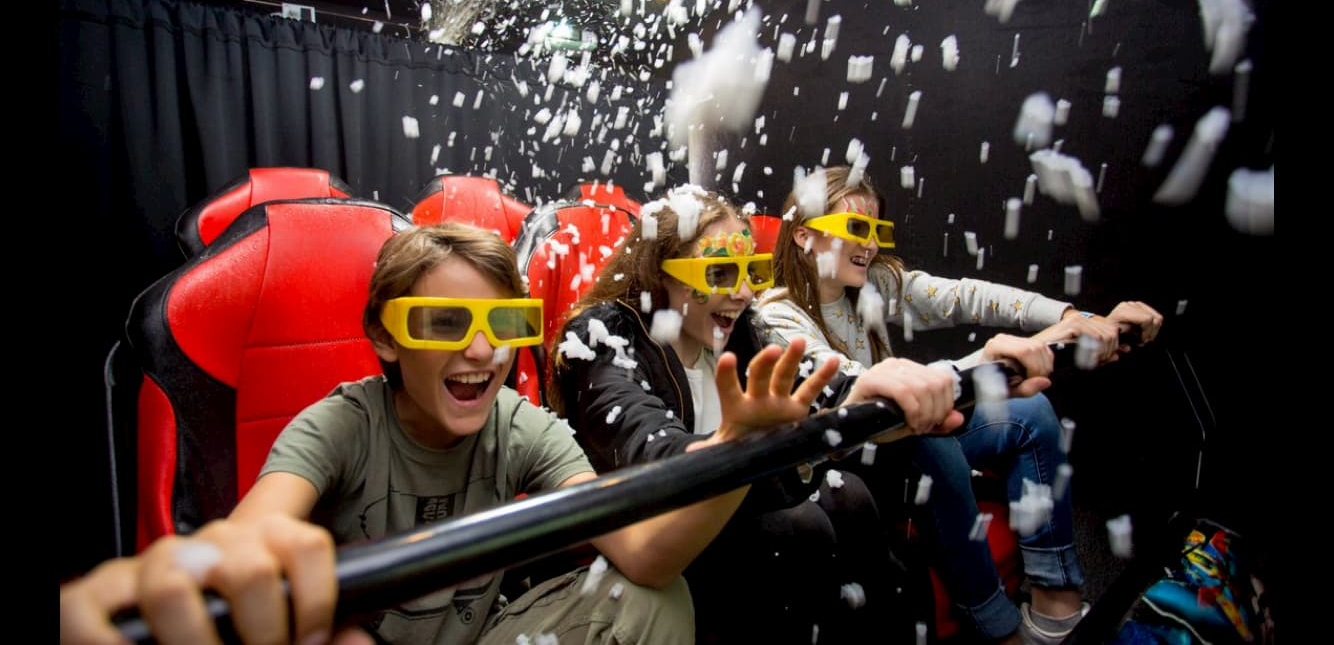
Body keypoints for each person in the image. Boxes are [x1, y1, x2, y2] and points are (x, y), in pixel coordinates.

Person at [61, 222, 871, 645]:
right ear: (385, 336)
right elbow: (259, 528)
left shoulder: (517, 422)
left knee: (650, 597)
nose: (481, 349)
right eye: (443, 321)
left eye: (502, 323)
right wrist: (221, 564)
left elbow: (644, 550)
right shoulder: (341, 423)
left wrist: (737, 451)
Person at [756, 166, 1165, 644]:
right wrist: (994, 356)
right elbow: (872, 399)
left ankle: (1057, 607)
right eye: (855, 228)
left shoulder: (874, 286)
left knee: (1029, 414)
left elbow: (966, 296)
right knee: (933, 444)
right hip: (849, 472)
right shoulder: (775, 316)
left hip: (906, 437)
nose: (869, 244)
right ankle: (1000, 628)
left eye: (876, 230)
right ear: (804, 235)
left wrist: (1073, 318)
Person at [548, 185, 965, 643]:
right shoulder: (602, 337)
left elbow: (813, 384)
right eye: (721, 272)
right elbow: (656, 457)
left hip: (738, 506)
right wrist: (751, 443)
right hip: (661, 533)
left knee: (850, 497)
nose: (745, 292)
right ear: (658, 272)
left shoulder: (741, 330)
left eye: (752, 271)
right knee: (798, 527)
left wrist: (868, 391)